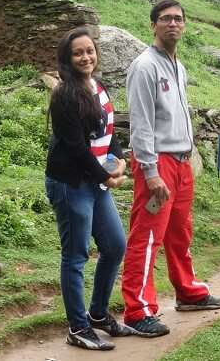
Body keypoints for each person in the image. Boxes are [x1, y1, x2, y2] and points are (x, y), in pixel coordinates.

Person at [122, 0, 220, 337]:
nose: (173, 24)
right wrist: (151, 172)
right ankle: (138, 310)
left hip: (181, 162)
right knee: (147, 236)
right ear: (153, 24)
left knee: (179, 232)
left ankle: (188, 292)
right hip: (158, 162)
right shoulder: (144, 66)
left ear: (184, 25)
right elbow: (140, 124)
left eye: (178, 19)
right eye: (165, 19)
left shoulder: (178, 67)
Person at [45, 27, 135, 351]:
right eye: (78, 53)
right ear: (67, 59)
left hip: (95, 181)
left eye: (90, 51)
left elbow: (110, 131)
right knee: (76, 255)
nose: (86, 57)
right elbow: (76, 149)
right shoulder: (65, 95)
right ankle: (78, 327)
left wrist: (120, 160)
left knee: (114, 246)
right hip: (71, 183)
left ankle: (98, 314)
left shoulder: (99, 86)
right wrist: (107, 176)